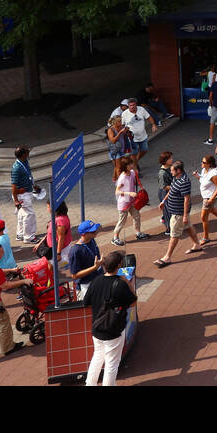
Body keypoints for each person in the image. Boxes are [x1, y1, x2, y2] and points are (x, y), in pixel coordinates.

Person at [84, 250, 137, 386]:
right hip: (114, 331)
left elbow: (86, 302)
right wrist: (127, 282)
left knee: (97, 358)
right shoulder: (120, 284)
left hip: (97, 329)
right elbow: (133, 301)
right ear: (119, 266)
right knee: (111, 364)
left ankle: (90, 384)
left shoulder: (96, 281)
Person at [154, 161, 203, 266]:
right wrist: (164, 201)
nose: (170, 172)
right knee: (189, 227)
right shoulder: (176, 178)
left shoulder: (184, 182)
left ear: (178, 171)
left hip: (178, 213)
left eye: (172, 170)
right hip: (177, 211)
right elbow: (171, 191)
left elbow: (186, 199)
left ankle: (167, 257)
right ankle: (197, 245)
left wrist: (184, 215)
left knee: (174, 235)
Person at [111, 155, 148, 245]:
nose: (131, 165)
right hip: (124, 203)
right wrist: (129, 193)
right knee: (122, 221)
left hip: (132, 201)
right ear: (125, 166)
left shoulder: (132, 173)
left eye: (131, 163)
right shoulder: (122, 178)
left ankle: (138, 232)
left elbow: (134, 181)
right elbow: (117, 191)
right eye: (129, 164)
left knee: (136, 216)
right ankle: (115, 238)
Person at [194, 154, 217, 241]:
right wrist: (197, 176)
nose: (201, 163)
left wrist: (211, 199)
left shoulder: (213, 174)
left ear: (209, 164)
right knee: (211, 209)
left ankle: (206, 237)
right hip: (206, 196)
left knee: (203, 217)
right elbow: (203, 181)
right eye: (202, 161)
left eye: (203, 162)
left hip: (209, 197)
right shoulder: (204, 170)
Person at [64, 220, 104, 297]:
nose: (96, 232)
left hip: (98, 279)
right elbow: (74, 275)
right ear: (84, 234)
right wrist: (94, 267)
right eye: (92, 231)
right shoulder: (75, 251)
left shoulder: (92, 240)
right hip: (86, 285)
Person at [10, 146, 38, 243]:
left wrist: (34, 186)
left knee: (22, 214)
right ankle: (29, 237)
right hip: (22, 195)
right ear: (23, 155)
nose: (29, 153)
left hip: (27, 192)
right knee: (29, 214)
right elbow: (13, 186)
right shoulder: (17, 168)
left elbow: (29, 175)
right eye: (27, 152)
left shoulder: (25, 162)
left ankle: (20, 234)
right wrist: (16, 200)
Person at [155, 150, 175, 236]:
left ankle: (166, 220)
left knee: (170, 209)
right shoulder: (162, 173)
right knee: (167, 210)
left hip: (170, 192)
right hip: (164, 193)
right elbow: (163, 186)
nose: (172, 159)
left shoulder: (170, 168)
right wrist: (176, 186)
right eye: (170, 158)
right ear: (165, 160)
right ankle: (168, 228)